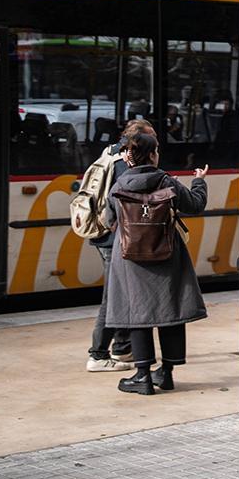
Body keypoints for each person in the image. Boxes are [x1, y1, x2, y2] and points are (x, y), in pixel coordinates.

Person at [103, 133, 209, 395]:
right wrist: (199, 182)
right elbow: (195, 205)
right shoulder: (167, 181)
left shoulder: (118, 184)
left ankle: (142, 376)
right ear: (152, 155)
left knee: (138, 312)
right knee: (169, 309)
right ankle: (166, 372)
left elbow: (108, 218)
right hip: (166, 252)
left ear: (129, 157)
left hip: (129, 257)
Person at [84, 120, 148, 372]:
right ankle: (98, 355)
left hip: (106, 237)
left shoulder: (110, 153)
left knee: (121, 293)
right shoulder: (124, 163)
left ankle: (122, 347)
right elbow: (122, 200)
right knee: (112, 297)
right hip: (115, 239)